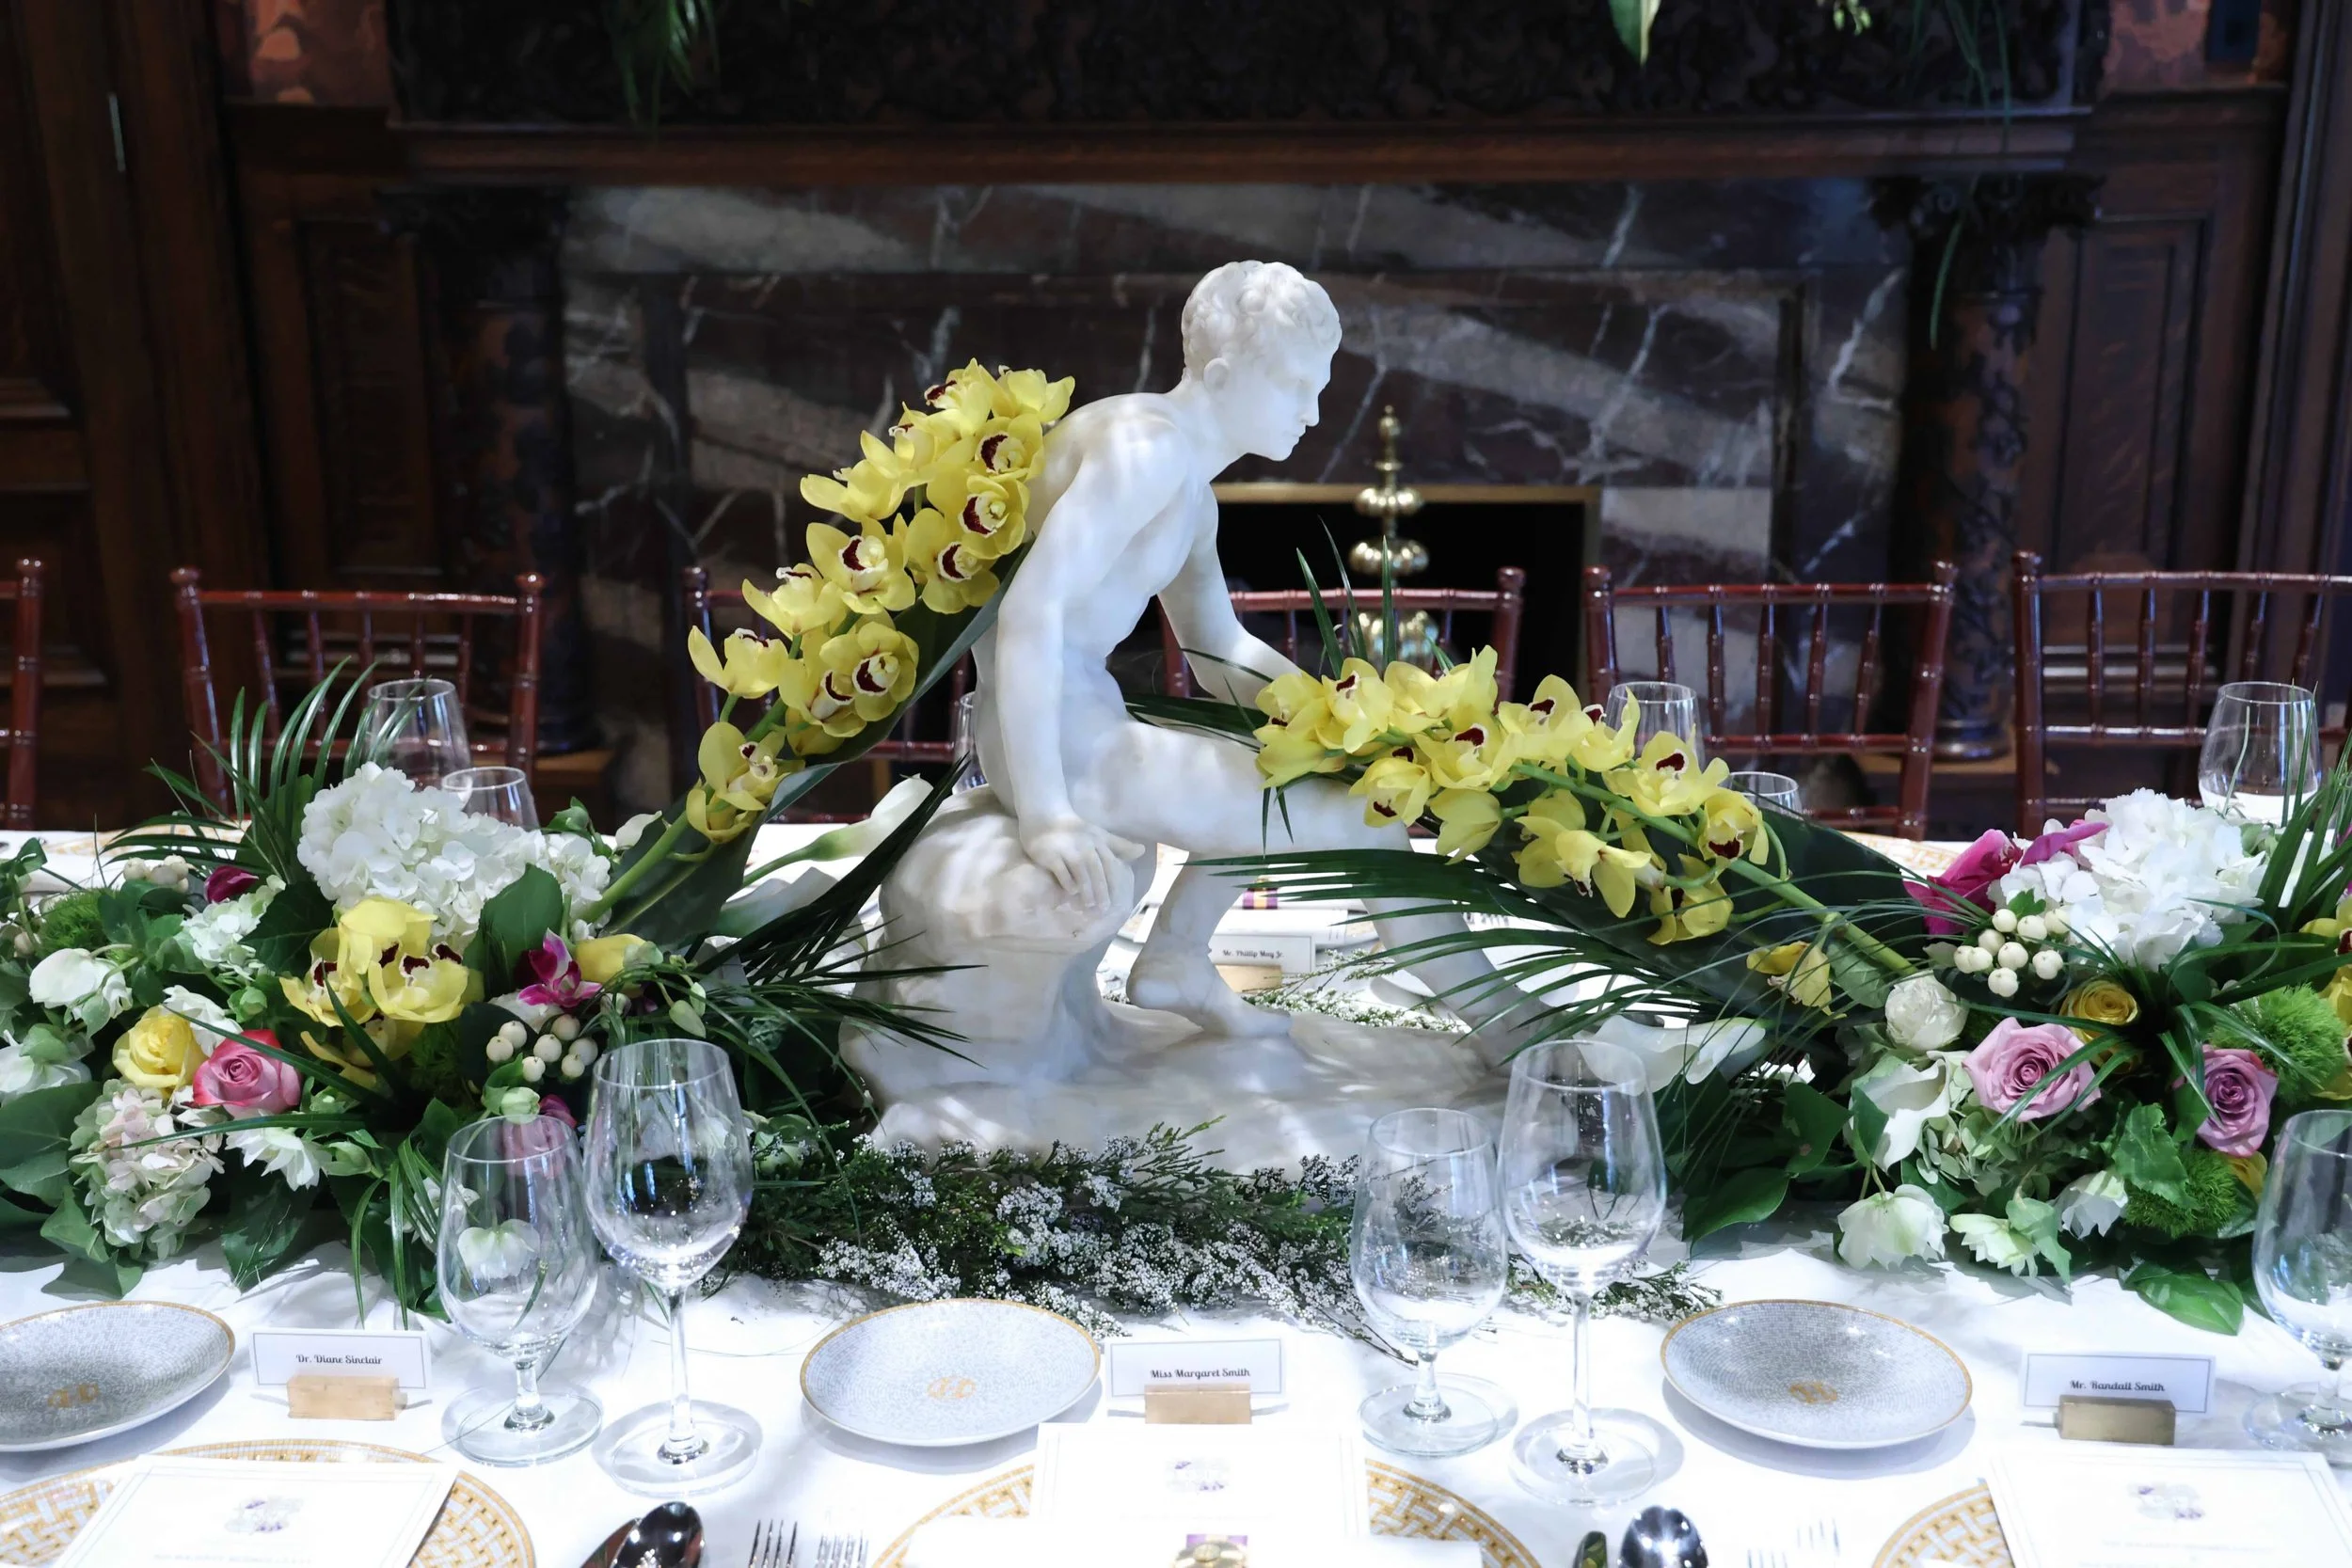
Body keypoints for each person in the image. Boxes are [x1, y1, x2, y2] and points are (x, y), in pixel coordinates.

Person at [972, 261, 1528, 1050]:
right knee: (1364, 821)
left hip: (1080, 722)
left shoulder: (1184, 484)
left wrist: (1342, 722)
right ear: (1227, 373)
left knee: (1298, 761)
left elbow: (1214, 645)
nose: (1312, 412)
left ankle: (1173, 958)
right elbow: (1034, 608)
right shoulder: (1147, 453)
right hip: (1061, 745)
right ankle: (1519, 1028)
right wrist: (1048, 816)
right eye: (1297, 385)